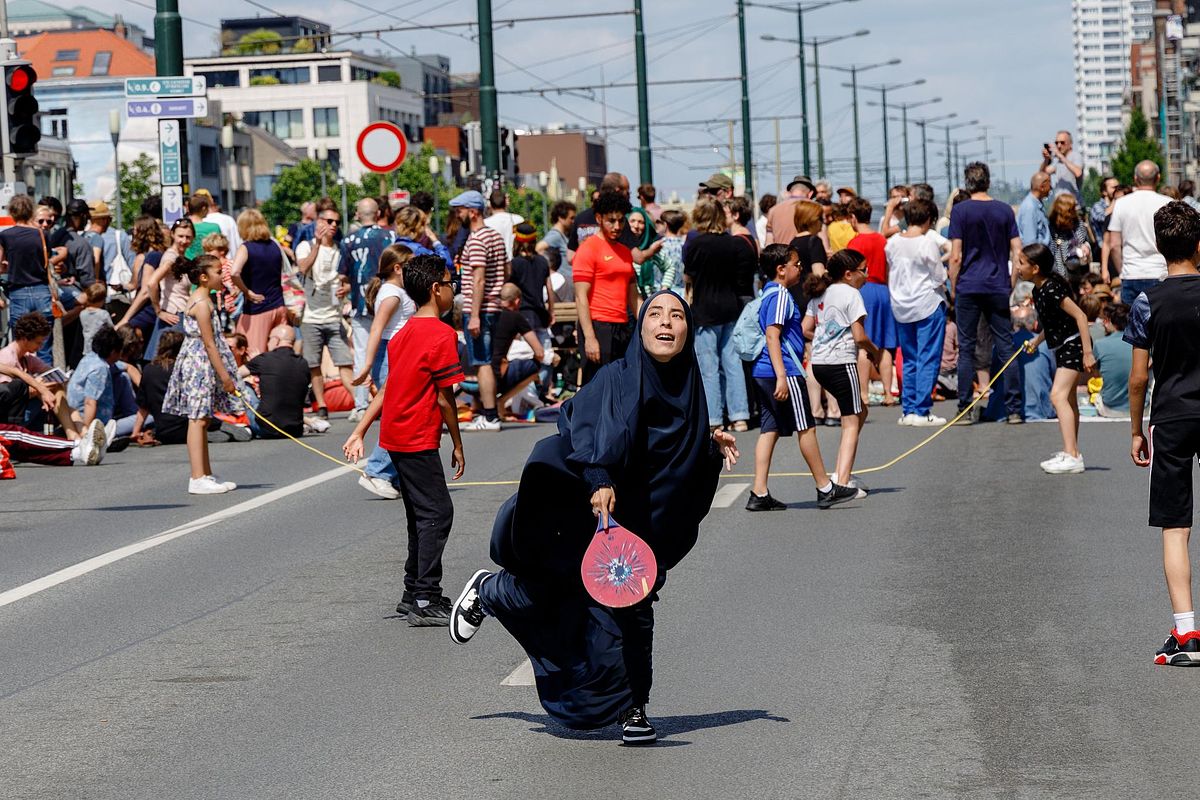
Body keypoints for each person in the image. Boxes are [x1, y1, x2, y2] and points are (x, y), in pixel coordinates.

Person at [446, 290, 739, 744]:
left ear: (688, 330)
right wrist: (600, 476)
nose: (666, 322)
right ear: (640, 327)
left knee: (633, 610)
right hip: (587, 509)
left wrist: (707, 448)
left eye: (677, 315)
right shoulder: (616, 378)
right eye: (656, 314)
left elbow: (672, 463)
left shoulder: (691, 390)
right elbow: (586, 424)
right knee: (553, 597)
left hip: (642, 526)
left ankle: (633, 709)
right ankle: (492, 590)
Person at [343, 254, 465, 625]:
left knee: (419, 514)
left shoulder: (403, 333)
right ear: (435, 289)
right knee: (438, 512)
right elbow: (445, 397)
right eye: (449, 284)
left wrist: (361, 429)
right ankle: (426, 597)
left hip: (394, 436)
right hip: (417, 436)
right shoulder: (442, 334)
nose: (452, 290)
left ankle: (413, 590)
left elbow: (388, 387)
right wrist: (458, 443)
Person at [1125, 200, 1200, 665]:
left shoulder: (1147, 301)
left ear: (1158, 246)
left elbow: (1138, 378)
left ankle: (1188, 633)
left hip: (1170, 417)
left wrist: (1137, 430)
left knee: (1176, 527)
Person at [746, 244, 858, 511]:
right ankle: (825, 487)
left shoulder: (767, 293)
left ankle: (759, 492)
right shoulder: (781, 295)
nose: (800, 268)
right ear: (781, 270)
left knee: (769, 428)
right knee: (806, 426)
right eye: (796, 264)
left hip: (764, 371)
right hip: (782, 370)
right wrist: (783, 376)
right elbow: (773, 335)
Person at [948, 162, 1024, 424]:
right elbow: (1018, 251)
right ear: (988, 182)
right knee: (1005, 345)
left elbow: (955, 255)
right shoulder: (1004, 210)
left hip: (969, 285)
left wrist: (954, 285)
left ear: (967, 183)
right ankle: (1013, 407)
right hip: (997, 285)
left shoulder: (960, 211)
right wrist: (1010, 280)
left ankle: (965, 407)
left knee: (967, 347)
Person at [161, 255, 244, 495]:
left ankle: (205, 472)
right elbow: (209, 344)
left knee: (204, 418)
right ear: (204, 277)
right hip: (199, 363)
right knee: (197, 418)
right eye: (219, 272)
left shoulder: (205, 300)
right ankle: (197, 477)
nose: (223, 276)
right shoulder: (202, 304)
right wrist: (225, 377)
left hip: (202, 363)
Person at [1014, 243, 1095, 473]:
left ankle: (1072, 456)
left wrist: (1087, 353)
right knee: (1068, 400)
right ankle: (1072, 451)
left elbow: (1080, 316)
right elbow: (1051, 325)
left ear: (1036, 268)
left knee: (1057, 396)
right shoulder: (1038, 290)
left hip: (1073, 346)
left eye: (1021, 263)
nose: (1018, 267)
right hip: (1061, 346)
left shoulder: (1051, 289)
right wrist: (1035, 342)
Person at [804, 249, 881, 489]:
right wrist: (874, 351)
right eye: (864, 270)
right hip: (841, 362)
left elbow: (806, 328)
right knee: (851, 421)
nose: (867, 275)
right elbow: (859, 336)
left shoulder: (821, 293)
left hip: (819, 364)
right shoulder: (851, 294)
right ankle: (843, 481)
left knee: (859, 412)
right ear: (849, 274)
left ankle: (841, 472)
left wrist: (823, 338)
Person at [354, 244, 417, 499]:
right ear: (398, 268)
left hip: (396, 352)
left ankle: (395, 475)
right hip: (392, 352)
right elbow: (377, 329)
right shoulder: (392, 294)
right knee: (396, 417)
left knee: (401, 415)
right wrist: (367, 364)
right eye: (409, 266)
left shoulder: (395, 291)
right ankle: (376, 471)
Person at [683, 197, 749, 431]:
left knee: (708, 367)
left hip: (704, 310)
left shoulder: (696, 244)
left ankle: (713, 418)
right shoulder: (734, 243)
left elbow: (688, 276)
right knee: (733, 363)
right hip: (730, 308)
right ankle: (739, 415)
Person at [887, 198, 949, 426]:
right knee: (928, 358)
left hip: (901, 306)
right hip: (927, 304)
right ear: (928, 220)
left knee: (909, 358)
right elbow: (939, 277)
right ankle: (922, 411)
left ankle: (909, 409)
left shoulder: (892, 243)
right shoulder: (926, 243)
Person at [454, 190, 508, 431]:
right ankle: (489, 413)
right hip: (493, 306)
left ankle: (489, 416)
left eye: (460, 211)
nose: (458, 216)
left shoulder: (476, 240)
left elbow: (477, 279)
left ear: (473, 212)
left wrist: (474, 314)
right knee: (485, 360)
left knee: (482, 361)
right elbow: (506, 270)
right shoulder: (495, 236)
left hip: (480, 308)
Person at [574, 190, 640, 387]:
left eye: (621, 221)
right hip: (598, 325)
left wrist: (649, 320)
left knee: (620, 385)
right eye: (611, 220)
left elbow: (634, 297)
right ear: (599, 218)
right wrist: (590, 338)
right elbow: (580, 297)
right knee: (596, 388)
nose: (617, 226)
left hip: (622, 327)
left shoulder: (625, 253)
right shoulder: (588, 249)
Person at [338, 197, 396, 420]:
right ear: (378, 213)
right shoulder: (389, 236)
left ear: (358, 214)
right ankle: (389, 400)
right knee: (389, 351)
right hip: (386, 301)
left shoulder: (348, 240)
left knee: (362, 354)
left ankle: (362, 405)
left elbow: (343, 274)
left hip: (361, 304)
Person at [295, 205, 353, 419]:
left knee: (344, 360)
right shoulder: (305, 246)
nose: (333, 226)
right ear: (319, 222)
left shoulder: (340, 248)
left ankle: (359, 402)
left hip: (334, 315)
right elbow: (303, 269)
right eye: (329, 221)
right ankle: (321, 405)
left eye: (336, 222)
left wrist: (346, 288)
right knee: (314, 364)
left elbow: (348, 280)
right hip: (311, 316)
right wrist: (317, 245)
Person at [846, 197, 898, 407]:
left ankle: (864, 394)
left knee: (864, 345)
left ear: (853, 217)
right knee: (886, 345)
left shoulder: (854, 242)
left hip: (863, 291)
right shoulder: (881, 240)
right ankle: (888, 393)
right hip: (883, 290)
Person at [0, 311, 79, 436]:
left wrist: (55, 378)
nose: (41, 347)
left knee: (56, 387)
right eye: (38, 342)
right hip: (11, 417)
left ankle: (80, 432)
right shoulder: (6, 357)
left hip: (25, 409)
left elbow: (47, 369)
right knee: (54, 389)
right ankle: (76, 433)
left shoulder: (26, 357)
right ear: (25, 339)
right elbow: (9, 397)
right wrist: (40, 387)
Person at [1, 195, 59, 363]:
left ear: (12, 212)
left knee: (20, 346)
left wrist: (9, 265)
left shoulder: (6, 236)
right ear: (30, 212)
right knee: (44, 346)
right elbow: (46, 261)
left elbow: (0, 266)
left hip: (18, 292)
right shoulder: (42, 235)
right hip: (42, 291)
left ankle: (22, 385)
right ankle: (46, 385)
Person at [1109, 160, 1170, 304]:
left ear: (1135, 178)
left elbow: (1114, 245)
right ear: (1158, 178)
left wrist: (1122, 271)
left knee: (1133, 323)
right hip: (1160, 272)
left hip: (1132, 272)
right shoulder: (1168, 203)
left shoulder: (1121, 204)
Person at [229, 209, 288, 358]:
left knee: (253, 355)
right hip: (279, 305)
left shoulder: (246, 247)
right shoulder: (274, 246)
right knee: (277, 354)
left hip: (258, 308)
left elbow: (234, 272)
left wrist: (246, 291)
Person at [140, 219, 194, 361]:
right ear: (172, 235)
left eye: (188, 237)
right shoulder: (171, 258)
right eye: (180, 236)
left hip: (177, 314)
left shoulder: (181, 257)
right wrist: (158, 311)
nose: (184, 240)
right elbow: (152, 283)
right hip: (174, 316)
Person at [245, 325, 310, 439]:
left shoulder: (264, 359)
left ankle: (234, 424)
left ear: (276, 340)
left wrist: (254, 362)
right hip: (295, 429)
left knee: (244, 386)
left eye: (269, 339)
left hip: (266, 427)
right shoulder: (303, 363)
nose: (268, 343)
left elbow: (234, 375)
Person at [115, 215, 171, 348]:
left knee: (125, 336)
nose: (133, 233)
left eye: (135, 230)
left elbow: (145, 291)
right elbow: (135, 285)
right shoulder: (160, 254)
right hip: (152, 307)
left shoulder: (151, 257)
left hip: (148, 309)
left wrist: (125, 319)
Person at [491, 282, 547, 399]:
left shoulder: (488, 314)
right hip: (495, 378)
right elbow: (539, 352)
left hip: (469, 377)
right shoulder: (516, 317)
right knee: (534, 365)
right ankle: (501, 402)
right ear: (517, 301)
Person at [132, 330, 188, 445]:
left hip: (163, 432)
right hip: (188, 429)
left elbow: (143, 407)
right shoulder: (185, 368)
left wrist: (135, 432)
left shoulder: (149, 370)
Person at [509, 222, 554, 361]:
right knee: (545, 353)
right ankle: (545, 382)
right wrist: (551, 312)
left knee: (527, 354)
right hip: (540, 314)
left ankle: (533, 382)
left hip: (522, 315)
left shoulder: (514, 263)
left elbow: (511, 290)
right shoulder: (542, 261)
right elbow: (549, 288)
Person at [66, 325, 123, 434]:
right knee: (149, 419)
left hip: (75, 414)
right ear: (113, 352)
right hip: (90, 422)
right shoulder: (100, 368)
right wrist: (86, 431)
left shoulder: (89, 358)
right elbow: (89, 402)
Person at [1047, 193, 1091, 278]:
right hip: (1063, 272)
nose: (1076, 209)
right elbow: (1056, 253)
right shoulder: (1052, 227)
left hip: (1081, 267)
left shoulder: (1078, 223)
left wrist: (1086, 247)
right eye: (1073, 207)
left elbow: (1085, 240)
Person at [765, 175, 815, 245]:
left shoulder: (773, 211)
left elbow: (768, 243)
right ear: (810, 194)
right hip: (806, 254)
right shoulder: (815, 209)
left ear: (790, 191)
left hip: (781, 254)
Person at [1040, 130, 1083, 200]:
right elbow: (1043, 174)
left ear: (1070, 144)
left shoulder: (1076, 156)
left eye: (1062, 143)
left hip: (1074, 205)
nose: (1059, 146)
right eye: (1056, 143)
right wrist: (1046, 160)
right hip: (1060, 204)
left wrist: (1060, 156)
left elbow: (1078, 173)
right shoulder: (1058, 160)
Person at [483, 189, 525, 260]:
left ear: (490, 204)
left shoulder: (485, 223)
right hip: (516, 263)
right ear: (505, 203)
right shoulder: (519, 220)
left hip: (495, 265)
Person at [543, 201, 576, 280]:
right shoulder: (555, 236)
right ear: (561, 218)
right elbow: (539, 248)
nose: (573, 221)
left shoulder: (564, 235)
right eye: (571, 218)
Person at [1017, 171, 1051, 246]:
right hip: (1037, 255)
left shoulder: (1037, 204)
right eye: (1049, 184)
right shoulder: (1030, 207)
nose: (1051, 188)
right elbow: (1030, 242)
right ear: (1042, 187)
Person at [183, 193, 221, 260]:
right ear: (203, 208)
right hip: (206, 264)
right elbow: (219, 248)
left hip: (187, 264)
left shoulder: (182, 226)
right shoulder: (213, 227)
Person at [656, 209, 686, 293]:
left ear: (665, 225)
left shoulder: (659, 245)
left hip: (662, 290)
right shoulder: (684, 244)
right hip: (682, 292)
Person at [78, 282, 112, 355]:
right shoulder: (104, 314)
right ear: (101, 300)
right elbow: (111, 328)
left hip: (87, 347)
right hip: (100, 347)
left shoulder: (82, 313)